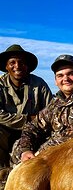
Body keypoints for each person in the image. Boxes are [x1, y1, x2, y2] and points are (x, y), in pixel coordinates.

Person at [0, 44, 53, 178]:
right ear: (6, 67)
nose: (17, 66)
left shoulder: (39, 84)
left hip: (34, 130)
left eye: (21, 62)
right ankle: (2, 175)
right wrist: (27, 119)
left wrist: (35, 123)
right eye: (12, 62)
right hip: (5, 131)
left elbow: (50, 109)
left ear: (27, 66)